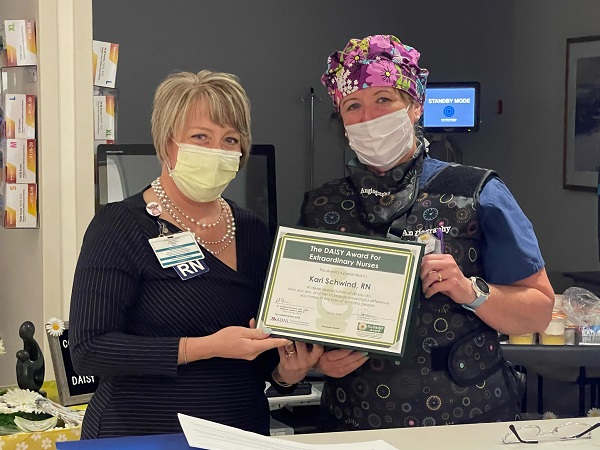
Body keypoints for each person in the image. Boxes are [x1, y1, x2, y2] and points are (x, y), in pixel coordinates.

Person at [301, 35, 555, 431]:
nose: (368, 118)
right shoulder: (323, 206)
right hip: (353, 422)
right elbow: (300, 319)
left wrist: (471, 291)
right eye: (353, 106)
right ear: (342, 119)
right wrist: (318, 361)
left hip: (467, 421)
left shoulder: (477, 193)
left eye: (383, 99)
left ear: (415, 106)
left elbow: (539, 312)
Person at [70, 70, 323, 439]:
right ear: (167, 142)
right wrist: (203, 348)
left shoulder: (251, 230)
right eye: (201, 137)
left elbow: (261, 349)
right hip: (144, 435)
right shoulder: (121, 225)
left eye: (230, 139)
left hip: (240, 433)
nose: (216, 151)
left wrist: (287, 373)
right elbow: (90, 349)